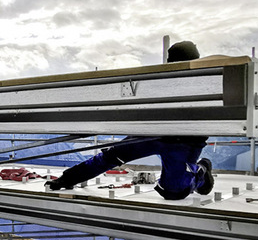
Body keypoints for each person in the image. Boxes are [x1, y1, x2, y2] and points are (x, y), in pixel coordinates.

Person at [45, 41, 214, 200]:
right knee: (112, 157)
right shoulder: (161, 81)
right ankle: (68, 178)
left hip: (183, 141)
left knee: (173, 191)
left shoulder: (204, 81)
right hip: (153, 134)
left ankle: (201, 172)